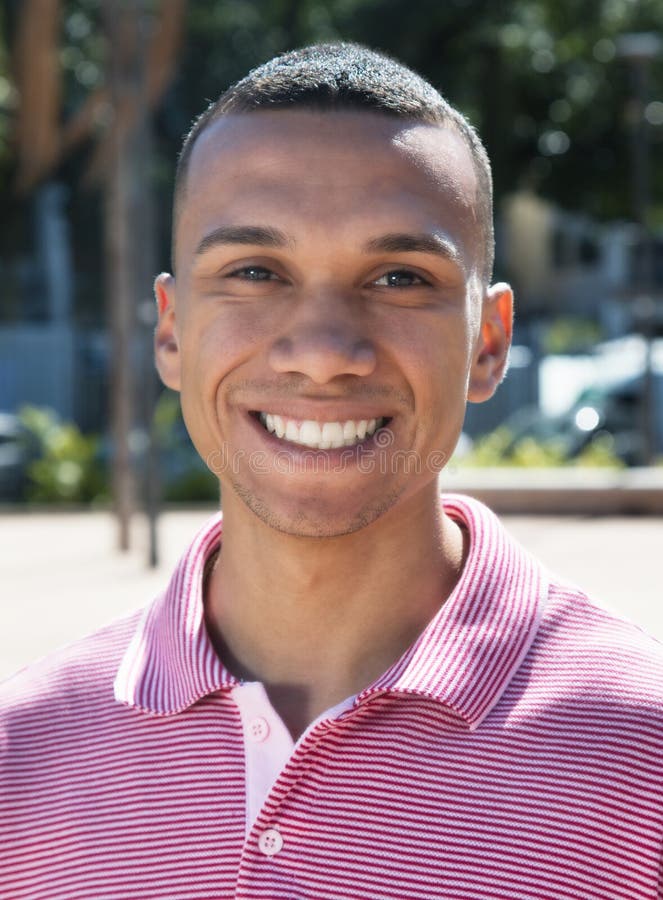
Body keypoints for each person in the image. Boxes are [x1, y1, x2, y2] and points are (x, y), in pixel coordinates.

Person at [2, 41, 662, 900]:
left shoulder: (638, 756)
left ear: (486, 343)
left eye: (397, 277)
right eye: (254, 272)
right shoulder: (25, 759)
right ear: (171, 331)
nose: (323, 353)